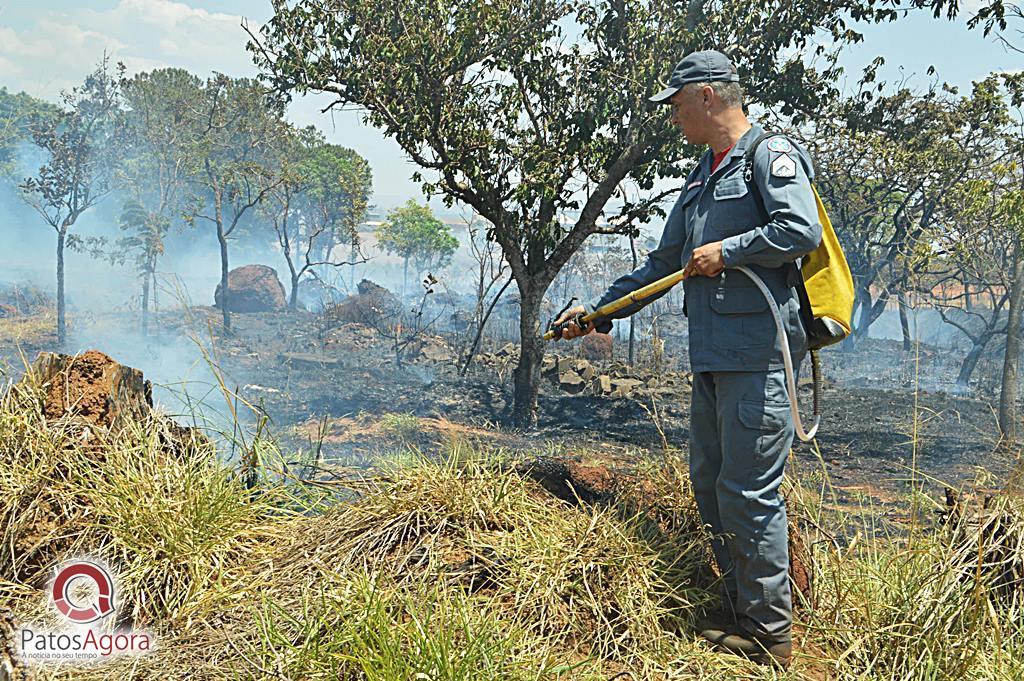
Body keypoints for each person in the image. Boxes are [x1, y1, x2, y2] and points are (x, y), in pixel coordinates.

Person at [553, 49, 822, 668]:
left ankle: (770, 634)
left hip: (759, 358)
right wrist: (596, 314)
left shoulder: (767, 157)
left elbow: (800, 229)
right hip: (713, 357)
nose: (671, 116)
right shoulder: (703, 176)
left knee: (749, 492)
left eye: (675, 103)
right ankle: (737, 607)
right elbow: (661, 266)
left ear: (706, 95)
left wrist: (730, 250)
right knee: (710, 483)